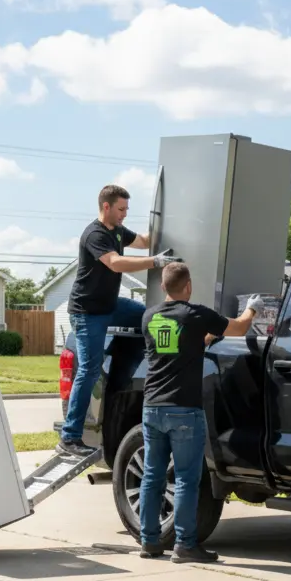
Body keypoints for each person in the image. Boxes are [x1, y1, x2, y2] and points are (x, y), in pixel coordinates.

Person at [138, 262, 264, 563]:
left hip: (152, 407)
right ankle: (185, 545)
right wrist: (253, 308)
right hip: (183, 409)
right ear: (189, 285)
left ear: (163, 287)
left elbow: (180, 342)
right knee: (185, 478)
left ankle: (149, 541)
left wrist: (207, 338)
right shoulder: (196, 314)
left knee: (152, 476)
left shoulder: (149, 316)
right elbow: (240, 327)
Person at [58, 183, 180, 455]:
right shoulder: (95, 234)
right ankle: (69, 437)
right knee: (89, 369)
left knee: (148, 317)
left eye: (127, 209)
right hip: (88, 312)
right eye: (121, 209)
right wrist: (155, 262)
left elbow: (145, 241)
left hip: (110, 304)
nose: (125, 214)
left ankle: (120, 370)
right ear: (106, 207)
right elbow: (115, 263)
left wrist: (174, 222)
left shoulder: (117, 232)